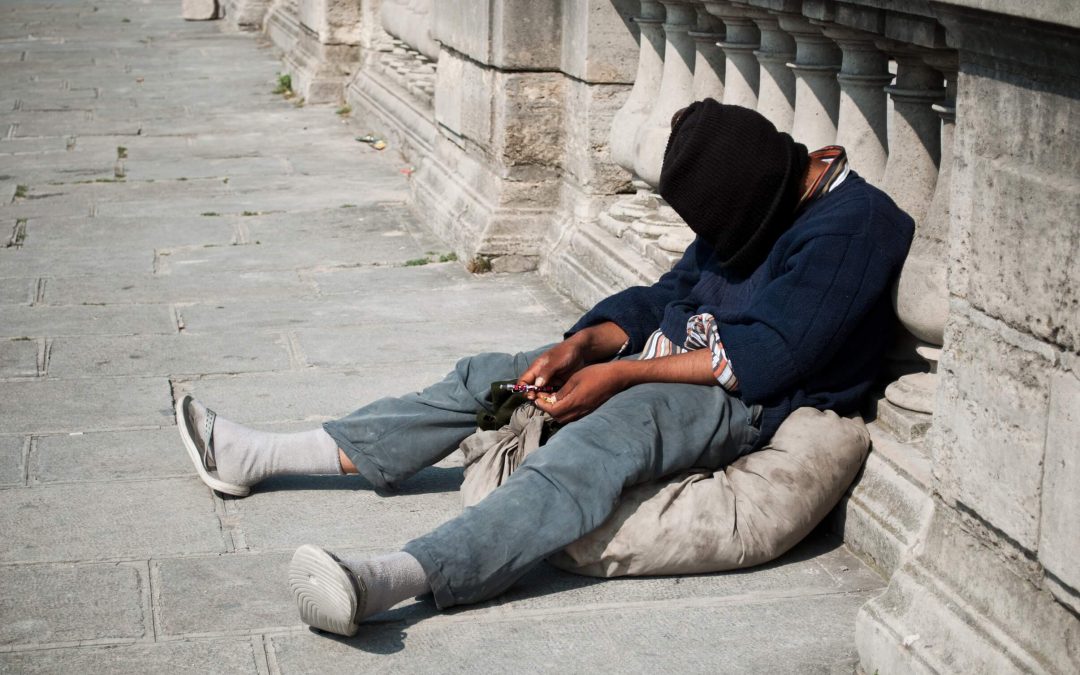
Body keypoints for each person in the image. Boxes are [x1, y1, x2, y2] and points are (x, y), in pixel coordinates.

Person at [176, 99, 914, 637]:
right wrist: (586, 346)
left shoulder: (858, 225)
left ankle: (394, 578)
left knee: (603, 439)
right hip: (670, 358)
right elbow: (668, 294)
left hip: (742, 398)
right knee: (494, 377)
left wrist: (621, 378)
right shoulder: (754, 191)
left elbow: (772, 354)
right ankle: (262, 455)